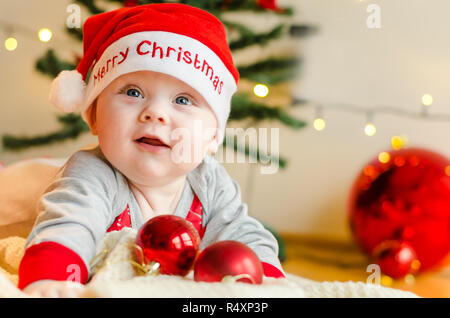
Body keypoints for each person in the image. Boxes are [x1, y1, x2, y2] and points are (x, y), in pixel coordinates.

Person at [19, 3, 285, 298]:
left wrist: (269, 280)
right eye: (133, 92)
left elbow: (243, 233)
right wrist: (52, 278)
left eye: (183, 100)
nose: (155, 113)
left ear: (212, 137)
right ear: (94, 116)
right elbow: (69, 223)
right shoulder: (91, 173)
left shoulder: (210, 182)